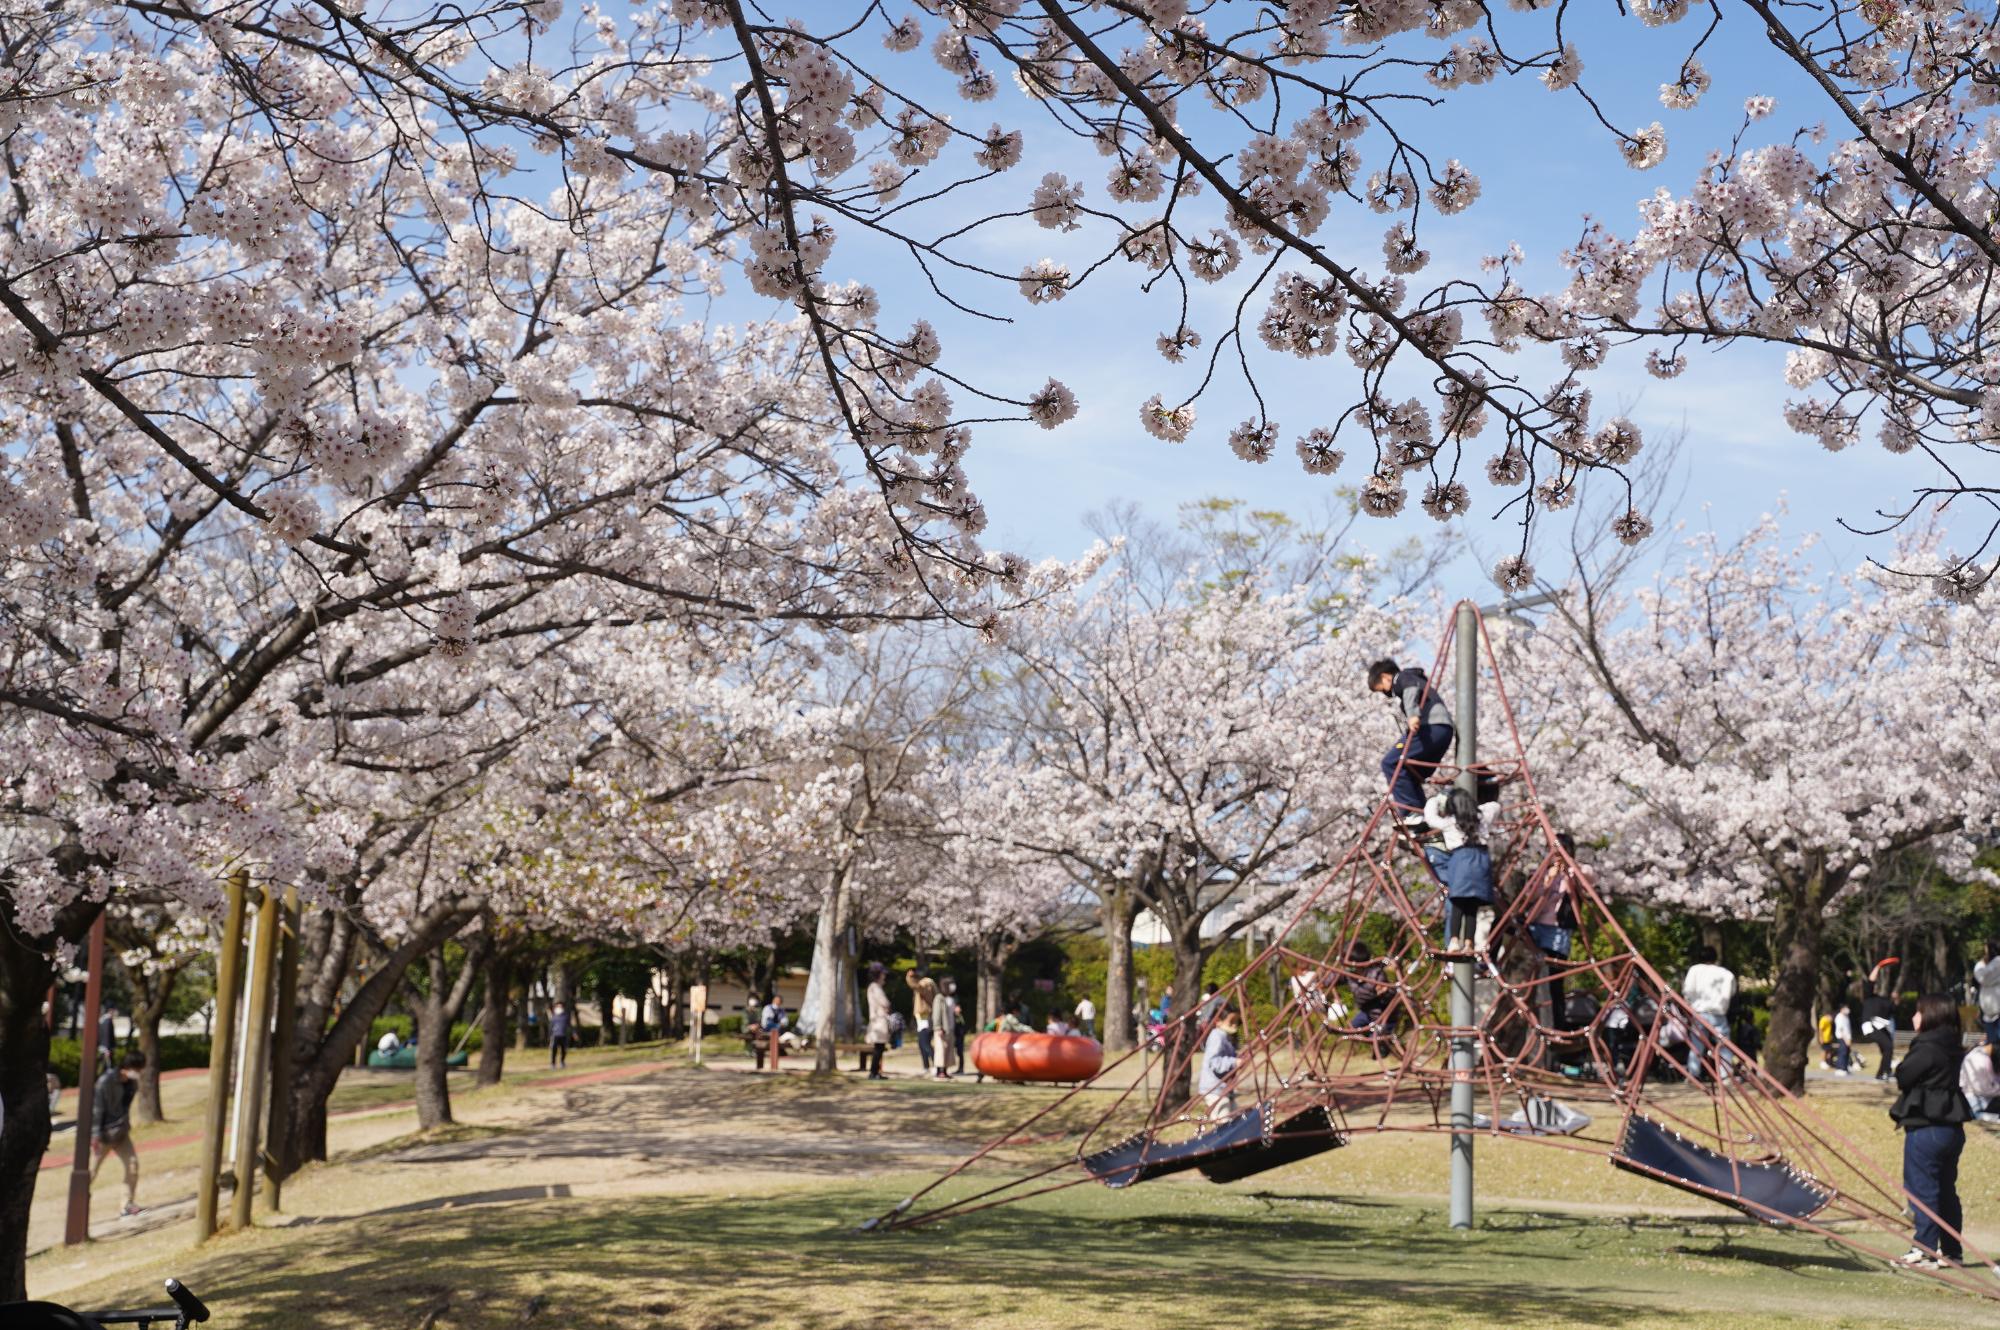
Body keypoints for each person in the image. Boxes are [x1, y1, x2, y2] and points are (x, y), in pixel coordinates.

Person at [1891, 993, 1972, 1269]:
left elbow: (1904, 1076)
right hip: (1952, 1128)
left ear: (1931, 1015)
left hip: (1927, 1126)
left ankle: (1924, 1248)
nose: (1914, 1017)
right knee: (1946, 1190)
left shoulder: (1926, 1046)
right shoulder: (1952, 1045)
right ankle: (1951, 1251)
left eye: (1919, 1012)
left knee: (1922, 1188)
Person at [1369, 657, 1454, 824]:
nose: (1385, 693)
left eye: (1382, 688)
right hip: (1444, 731)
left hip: (1431, 727)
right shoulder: (1417, 679)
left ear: (1385, 677)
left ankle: (1411, 813)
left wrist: (1413, 714)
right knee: (1409, 774)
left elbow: (1410, 689)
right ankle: (1424, 817)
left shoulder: (1403, 677)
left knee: (1390, 763)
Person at [1423, 788, 1494, 950]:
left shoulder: (1450, 822)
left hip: (1460, 861)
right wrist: (1474, 809)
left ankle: (1454, 941)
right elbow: (1495, 806)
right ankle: (1469, 943)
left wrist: (1436, 800)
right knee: (1472, 906)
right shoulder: (1481, 819)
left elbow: (1430, 818)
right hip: (1480, 861)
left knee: (1457, 902)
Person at [91, 1050, 144, 1217]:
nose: (139, 1073)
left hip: (120, 1133)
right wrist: (95, 1135)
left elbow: (125, 1108)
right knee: (91, 1171)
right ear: (128, 1067)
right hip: (103, 1134)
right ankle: (78, 1203)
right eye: (138, 1069)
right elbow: (97, 1109)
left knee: (132, 1165)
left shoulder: (132, 1084)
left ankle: (127, 1204)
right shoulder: (105, 1081)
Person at [1680, 946, 1736, 1081]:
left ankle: (1693, 1074)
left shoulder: (1695, 970)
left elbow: (1688, 991)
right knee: (1723, 1044)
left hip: (1699, 1013)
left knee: (1697, 1044)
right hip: (1718, 1013)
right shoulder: (1725, 973)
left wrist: (1690, 1004)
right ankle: (1725, 1074)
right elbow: (1731, 992)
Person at [1197, 1009, 1242, 1117]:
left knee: (1235, 1117)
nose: (1234, 1025)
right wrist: (1234, 1062)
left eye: (1237, 1022)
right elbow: (1214, 1062)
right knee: (1223, 1120)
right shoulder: (1217, 1036)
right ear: (1218, 1021)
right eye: (1231, 1022)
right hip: (1214, 1089)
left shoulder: (1225, 1036)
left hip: (1223, 1089)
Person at [862, 963, 892, 1080]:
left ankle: (875, 1072)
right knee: (879, 1048)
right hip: (879, 1020)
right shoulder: (875, 987)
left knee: (879, 1047)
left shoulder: (874, 987)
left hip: (878, 1020)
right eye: (883, 973)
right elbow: (885, 1003)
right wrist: (888, 1006)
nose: (884, 975)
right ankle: (873, 1072)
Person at [1959, 1037, 2000, 1123]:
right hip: (1977, 1102)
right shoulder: (1980, 1059)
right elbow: (1983, 1089)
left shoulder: (1980, 1054)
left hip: (1981, 1098)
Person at [1860, 988, 1897, 1081]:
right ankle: (1882, 1073)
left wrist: (1895, 1000)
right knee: (1888, 1046)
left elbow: (1892, 1010)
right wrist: (1874, 976)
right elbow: (1869, 985)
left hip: (1880, 1025)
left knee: (1889, 1046)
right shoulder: (1870, 997)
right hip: (1871, 1025)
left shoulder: (1887, 1001)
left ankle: (1887, 1070)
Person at [931, 977, 960, 1079]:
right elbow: (936, 1014)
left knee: (949, 1050)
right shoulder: (939, 998)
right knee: (941, 1050)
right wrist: (938, 1027)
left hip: (950, 1028)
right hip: (942, 1029)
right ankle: (939, 1071)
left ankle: (946, 1070)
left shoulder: (951, 998)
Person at [1975, 940, 2000, 1045]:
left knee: (1994, 1045)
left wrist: (1982, 962)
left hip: (1994, 1013)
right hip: (1991, 1013)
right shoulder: (1993, 964)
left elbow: (1981, 975)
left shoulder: (1995, 963)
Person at [912, 975, 936, 1073]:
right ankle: (926, 1066)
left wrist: (909, 977)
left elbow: (916, 986)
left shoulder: (927, 986)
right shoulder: (926, 986)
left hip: (925, 1020)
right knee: (922, 1045)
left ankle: (936, 1065)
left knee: (926, 1044)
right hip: (921, 1020)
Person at [1832, 1004, 1855, 1076]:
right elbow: (1841, 1029)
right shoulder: (1839, 1017)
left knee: (1847, 1053)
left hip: (1847, 1038)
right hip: (1842, 1038)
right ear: (1842, 1009)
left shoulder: (1846, 1017)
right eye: (1846, 1008)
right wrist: (1846, 1039)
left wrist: (1849, 1038)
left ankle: (1845, 1067)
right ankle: (1840, 1068)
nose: (1848, 1010)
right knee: (1842, 1053)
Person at [548, 1001, 571, 1067]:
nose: (559, 1008)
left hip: (563, 1035)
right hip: (555, 1036)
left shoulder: (565, 1016)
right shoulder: (553, 1017)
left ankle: (562, 1062)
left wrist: (573, 1033)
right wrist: (549, 1035)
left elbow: (569, 1026)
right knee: (554, 1050)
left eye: (560, 1007)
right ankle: (553, 1064)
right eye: (558, 1006)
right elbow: (550, 1027)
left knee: (564, 1050)